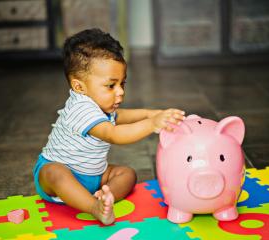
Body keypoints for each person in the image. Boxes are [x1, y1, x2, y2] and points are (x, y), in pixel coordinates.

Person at [33, 28, 185, 225]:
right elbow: (113, 133)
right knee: (55, 173)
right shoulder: (80, 108)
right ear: (79, 87)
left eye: (123, 83)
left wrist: (150, 113)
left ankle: (104, 197)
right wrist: (151, 124)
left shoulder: (101, 104)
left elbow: (120, 116)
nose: (120, 92)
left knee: (127, 174)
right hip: (59, 174)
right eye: (111, 86)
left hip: (95, 175)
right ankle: (93, 207)